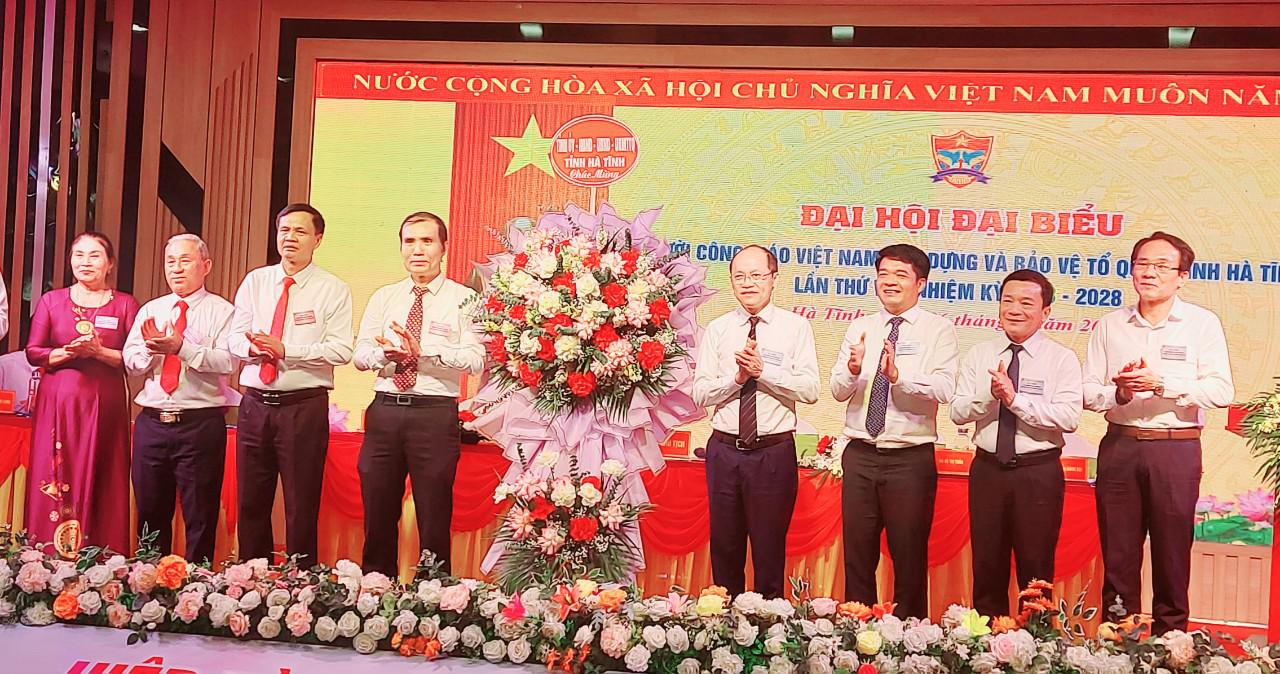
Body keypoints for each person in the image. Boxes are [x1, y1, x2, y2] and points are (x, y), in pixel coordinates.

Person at [1083, 231, 1233, 634]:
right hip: (1121, 445)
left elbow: (1221, 391)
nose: (1149, 273)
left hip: (1175, 449)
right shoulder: (1110, 325)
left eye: (1162, 266)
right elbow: (1087, 392)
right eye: (1142, 264)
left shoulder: (1201, 324)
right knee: (1118, 553)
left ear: (1182, 276)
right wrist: (1120, 392)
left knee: (1172, 553)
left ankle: (1171, 643)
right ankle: (1118, 640)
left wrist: (1161, 384)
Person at [830, 243, 957, 619]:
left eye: (900, 275)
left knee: (909, 555)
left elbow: (945, 389)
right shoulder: (861, 327)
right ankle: (856, 632)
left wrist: (899, 377)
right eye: (883, 274)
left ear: (920, 283)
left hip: (909, 459)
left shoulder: (938, 330)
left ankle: (910, 636)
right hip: (860, 454)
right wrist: (853, 370)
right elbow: (837, 391)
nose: (889, 282)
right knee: (857, 555)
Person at [353, 212, 483, 578]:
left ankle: (433, 594)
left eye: (427, 241)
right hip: (385, 410)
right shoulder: (385, 297)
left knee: (433, 512)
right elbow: (360, 355)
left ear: (444, 248)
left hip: (434, 413)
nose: (418, 250)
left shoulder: (464, 299)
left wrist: (424, 353)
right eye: (409, 241)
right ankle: (376, 587)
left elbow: (476, 359)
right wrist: (386, 355)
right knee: (377, 510)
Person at [950, 269, 1082, 618]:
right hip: (987, 470)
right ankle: (985, 641)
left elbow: (1069, 418)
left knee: (1036, 567)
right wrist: (990, 396)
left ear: (1045, 312)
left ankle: (1035, 640)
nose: (1014, 309)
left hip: (1037, 473)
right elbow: (957, 412)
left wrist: (1015, 400)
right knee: (986, 565)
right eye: (1007, 300)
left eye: (1026, 302)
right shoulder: (980, 354)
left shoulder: (1061, 359)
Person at [229, 204, 353, 564]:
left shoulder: (333, 289)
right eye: (284, 230)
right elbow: (234, 338)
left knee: (301, 502)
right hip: (255, 404)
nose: (290, 238)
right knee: (251, 500)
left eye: (300, 231)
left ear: (318, 239)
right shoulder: (256, 281)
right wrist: (253, 348)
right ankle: (250, 577)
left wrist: (287, 351)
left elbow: (341, 349)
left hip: (303, 406)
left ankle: (300, 582)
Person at [692, 245, 819, 598]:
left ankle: (769, 624)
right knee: (725, 548)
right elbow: (700, 393)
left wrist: (764, 373)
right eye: (740, 276)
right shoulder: (718, 329)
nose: (748, 283)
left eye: (756, 275)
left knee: (769, 550)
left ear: (773, 279)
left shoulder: (795, 327)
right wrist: (736, 380)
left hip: (772, 453)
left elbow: (810, 390)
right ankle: (722, 622)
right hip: (724, 451)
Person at [24, 232, 140, 556]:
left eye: (94, 255)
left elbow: (135, 358)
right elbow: (33, 351)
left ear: (110, 264)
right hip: (58, 403)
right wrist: (66, 353)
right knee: (55, 473)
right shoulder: (51, 301)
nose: (85, 262)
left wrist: (99, 352)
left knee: (103, 472)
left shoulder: (125, 304)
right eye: (79, 255)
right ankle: (46, 556)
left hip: (105, 405)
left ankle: (102, 557)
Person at [123, 234, 235, 563]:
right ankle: (148, 579)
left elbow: (228, 361)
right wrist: (151, 348)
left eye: (185, 261)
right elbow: (131, 362)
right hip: (152, 423)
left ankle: (197, 585)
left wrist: (181, 348)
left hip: (199, 424)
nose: (176, 269)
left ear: (206, 266)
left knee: (200, 514)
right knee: (149, 512)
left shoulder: (223, 312)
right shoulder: (152, 309)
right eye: (170, 262)